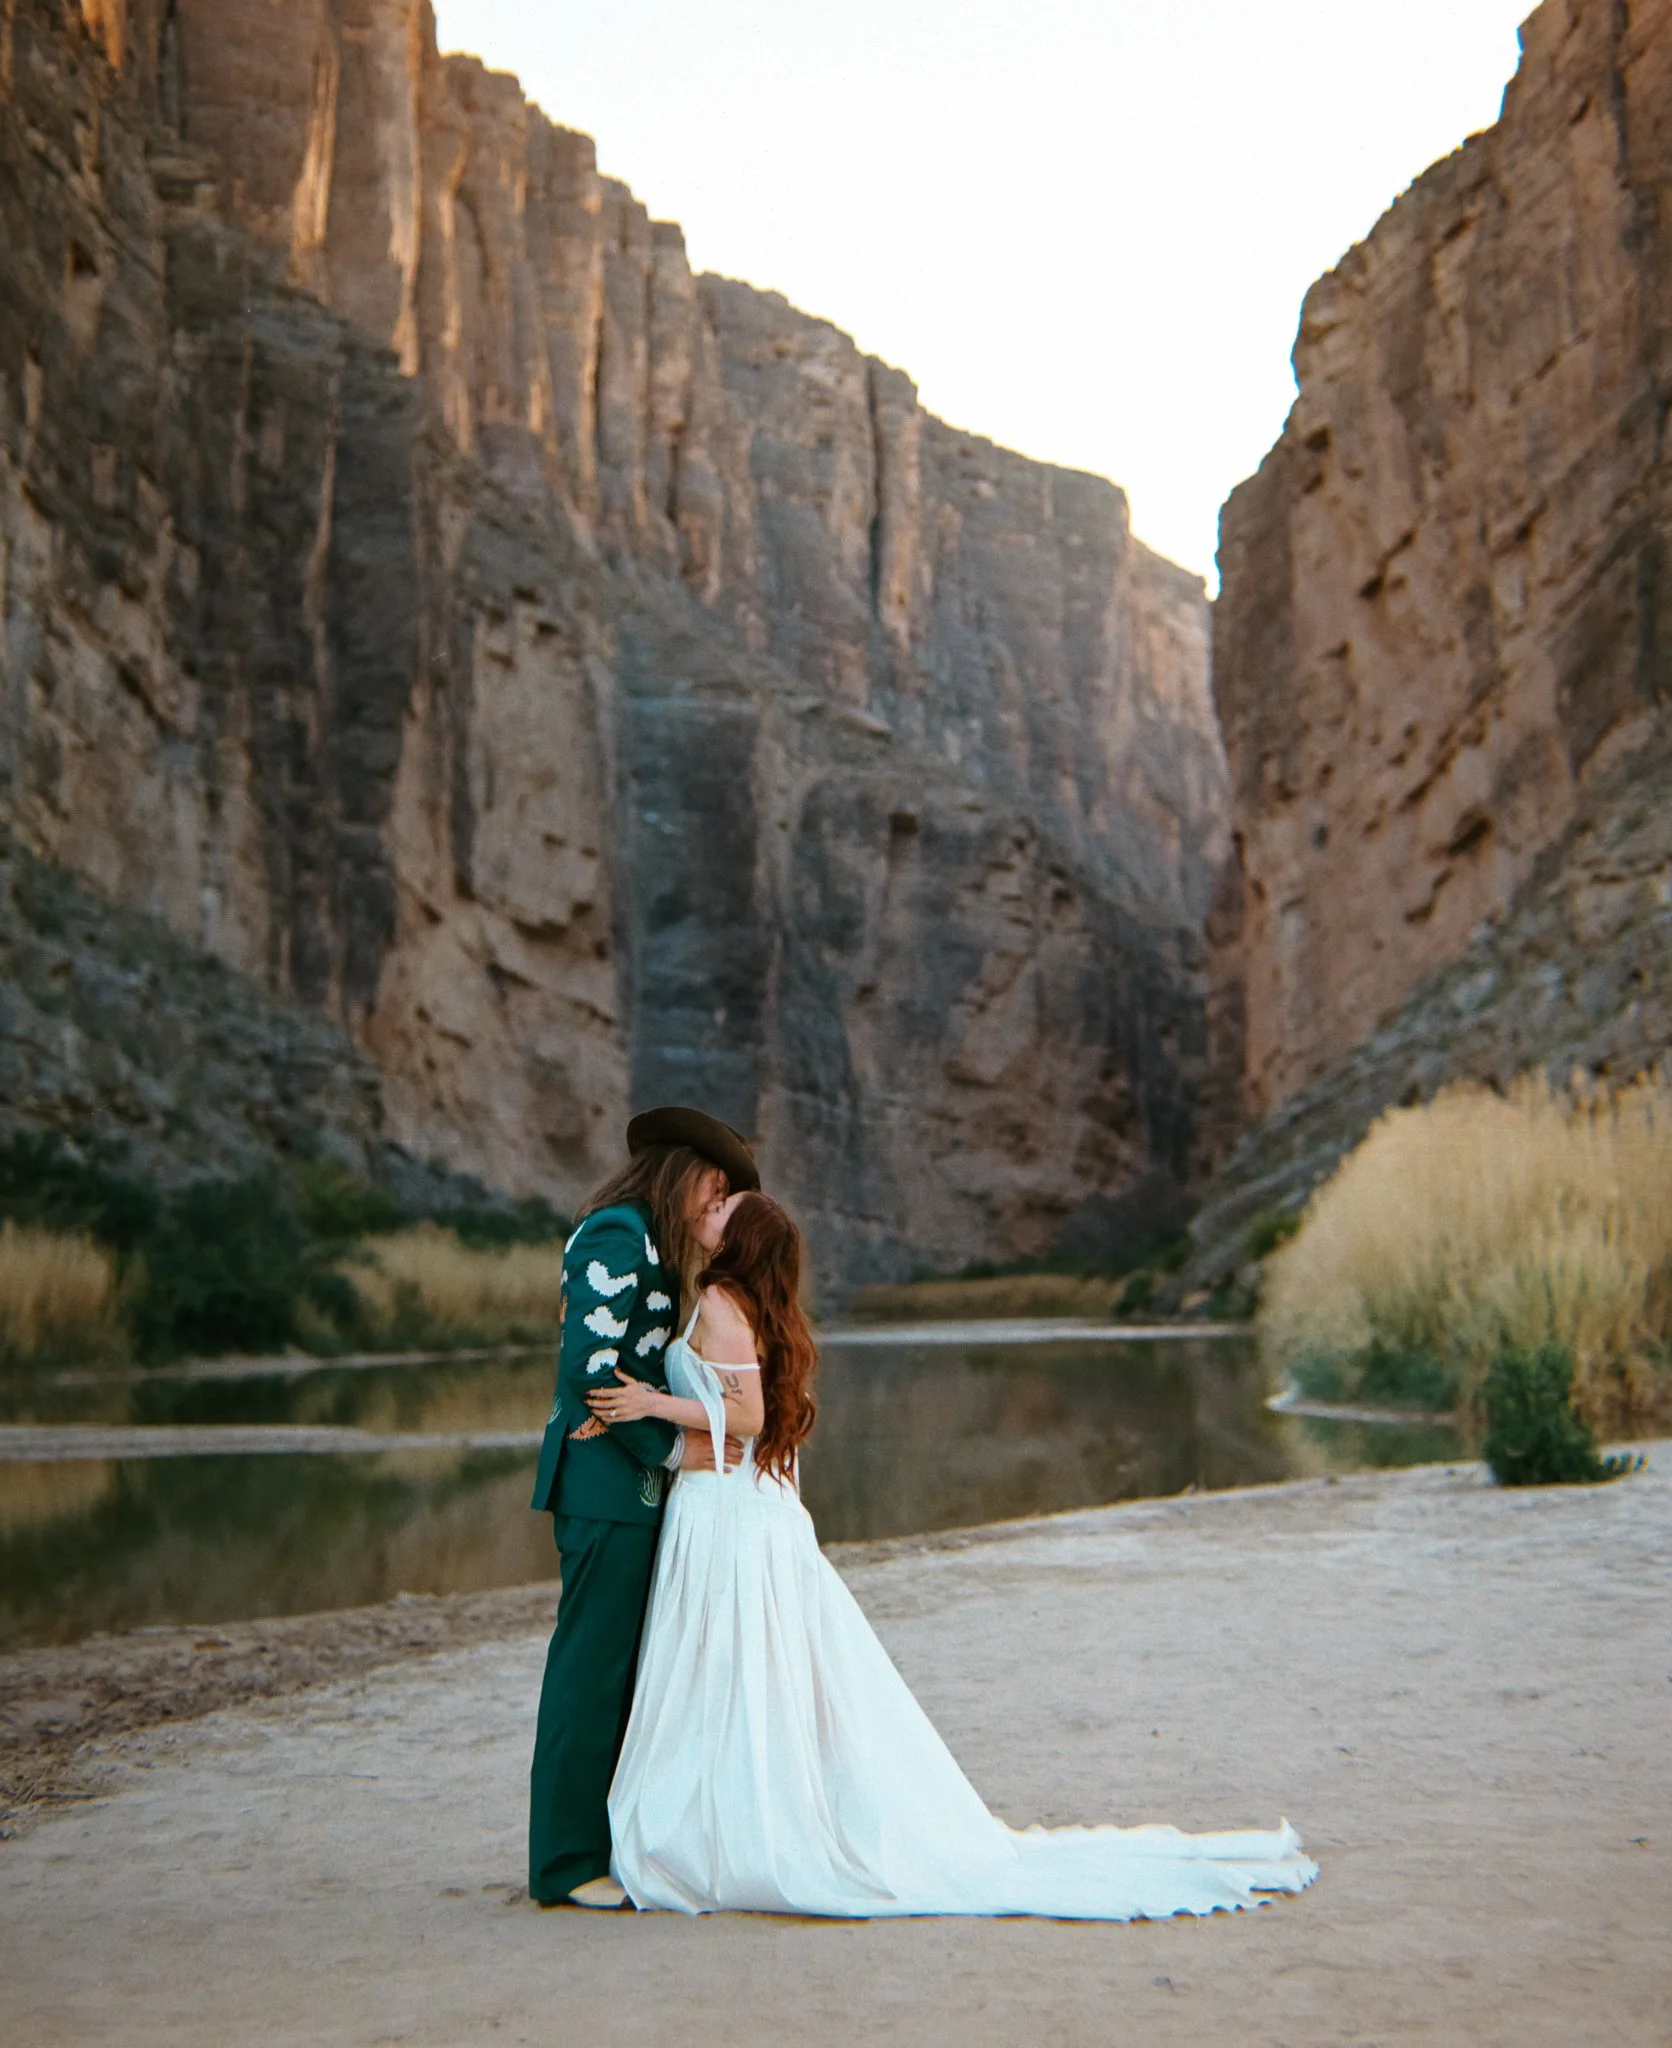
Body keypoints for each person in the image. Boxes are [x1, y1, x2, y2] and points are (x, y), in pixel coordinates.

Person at [589, 1191, 1319, 1919]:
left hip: (728, 1513)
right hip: (743, 1509)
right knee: (751, 1671)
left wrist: (653, 1406)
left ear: (739, 1239)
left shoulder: (720, 1298)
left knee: (730, 1665)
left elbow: (746, 1418)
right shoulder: (749, 1304)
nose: (713, 1208)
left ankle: (723, 1826)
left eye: (727, 1208)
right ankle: (743, 1811)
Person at [526, 1105, 758, 1910]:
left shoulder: (654, 1249)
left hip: (635, 1497)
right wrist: (674, 1450)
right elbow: (587, 1371)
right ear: (678, 1172)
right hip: (601, 1490)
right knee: (589, 1672)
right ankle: (563, 1864)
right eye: (713, 1187)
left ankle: (609, 1846)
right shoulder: (617, 1234)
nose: (714, 1205)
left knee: (626, 1675)